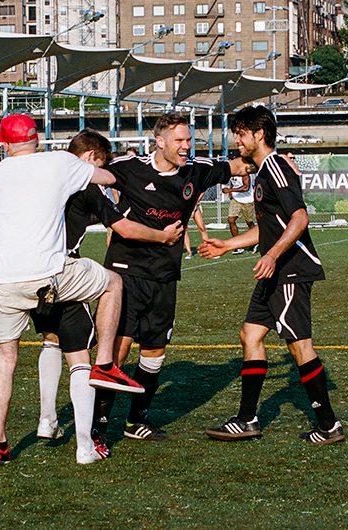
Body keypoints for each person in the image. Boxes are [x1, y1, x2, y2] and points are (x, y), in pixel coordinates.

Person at [0, 115, 137, 467]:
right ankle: (106, 364)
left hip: (2, 278)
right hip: (48, 274)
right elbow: (107, 176)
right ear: (36, 138)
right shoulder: (60, 162)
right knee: (114, 283)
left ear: (7, 145)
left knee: (5, 360)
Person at [93, 112, 250, 444]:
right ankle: (97, 427)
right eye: (179, 140)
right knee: (116, 353)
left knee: (155, 352)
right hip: (125, 275)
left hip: (165, 277)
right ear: (160, 141)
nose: (186, 146)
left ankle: (136, 422)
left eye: (189, 139)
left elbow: (241, 166)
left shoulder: (197, 170)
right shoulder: (128, 166)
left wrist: (279, 162)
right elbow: (87, 173)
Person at [30, 129, 183, 461]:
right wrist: (163, 235)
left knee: (50, 339)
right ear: (89, 159)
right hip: (62, 270)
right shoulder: (85, 184)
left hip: (24, 270)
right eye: (101, 165)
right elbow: (123, 227)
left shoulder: (41, 176)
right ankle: (88, 436)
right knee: (82, 351)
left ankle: (46, 419)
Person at [199, 105, 345, 445]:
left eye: (241, 133)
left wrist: (273, 255)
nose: (237, 139)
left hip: (291, 270)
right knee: (250, 334)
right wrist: (228, 245)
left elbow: (299, 219)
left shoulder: (277, 167)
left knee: (299, 347)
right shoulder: (264, 172)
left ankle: (328, 425)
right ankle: (248, 419)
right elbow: (268, 228)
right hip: (274, 271)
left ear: (258, 135)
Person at [221, 172, 255, 254]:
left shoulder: (244, 174)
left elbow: (246, 187)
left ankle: (254, 243)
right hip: (236, 198)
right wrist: (230, 192)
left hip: (248, 200)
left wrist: (230, 190)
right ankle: (237, 245)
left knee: (249, 222)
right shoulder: (231, 173)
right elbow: (233, 183)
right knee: (231, 220)